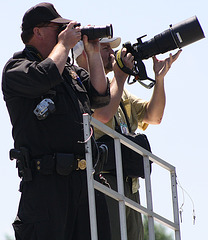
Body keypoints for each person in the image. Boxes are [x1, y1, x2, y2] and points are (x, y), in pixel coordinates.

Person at [2, 2, 112, 240]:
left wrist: (93, 53)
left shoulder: (69, 72)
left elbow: (100, 95)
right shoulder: (17, 68)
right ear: (37, 32)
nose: (64, 33)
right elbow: (45, 76)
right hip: (47, 187)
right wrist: (63, 44)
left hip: (84, 183)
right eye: (57, 28)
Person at [73, 37, 181, 240]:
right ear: (85, 53)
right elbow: (103, 115)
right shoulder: (80, 87)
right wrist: (120, 77)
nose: (112, 54)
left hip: (129, 184)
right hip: (104, 183)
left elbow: (154, 116)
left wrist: (159, 79)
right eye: (104, 48)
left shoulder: (118, 91)